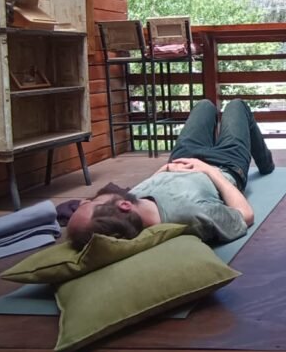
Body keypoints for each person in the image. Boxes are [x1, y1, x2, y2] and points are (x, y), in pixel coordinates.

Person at [67, 99, 274, 249]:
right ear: (123, 206)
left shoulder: (134, 204)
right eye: (91, 203)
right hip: (224, 164)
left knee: (204, 106)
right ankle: (267, 164)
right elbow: (245, 216)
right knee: (237, 105)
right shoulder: (189, 214)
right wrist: (209, 170)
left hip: (183, 157)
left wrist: (167, 168)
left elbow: (155, 181)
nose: (85, 200)